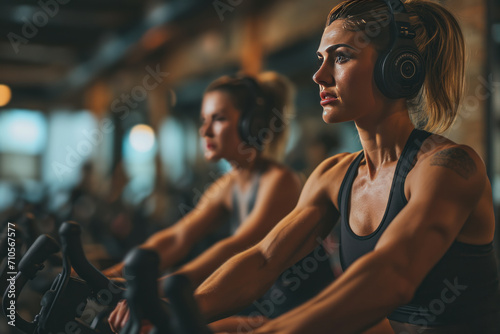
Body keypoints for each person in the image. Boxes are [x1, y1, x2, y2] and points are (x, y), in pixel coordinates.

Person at [111, 0, 500, 333]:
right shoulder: (334, 175)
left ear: (398, 68)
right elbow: (263, 260)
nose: (319, 76)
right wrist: (177, 310)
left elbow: (392, 276)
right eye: (320, 60)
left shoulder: (448, 167)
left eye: (342, 57)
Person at [108, 72, 337, 332]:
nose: (205, 130)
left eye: (218, 119)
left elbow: (235, 248)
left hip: (301, 313)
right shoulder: (228, 185)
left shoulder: (280, 181)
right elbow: (178, 237)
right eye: (204, 120)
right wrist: (115, 277)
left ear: (251, 124)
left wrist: (154, 289)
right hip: (259, 306)